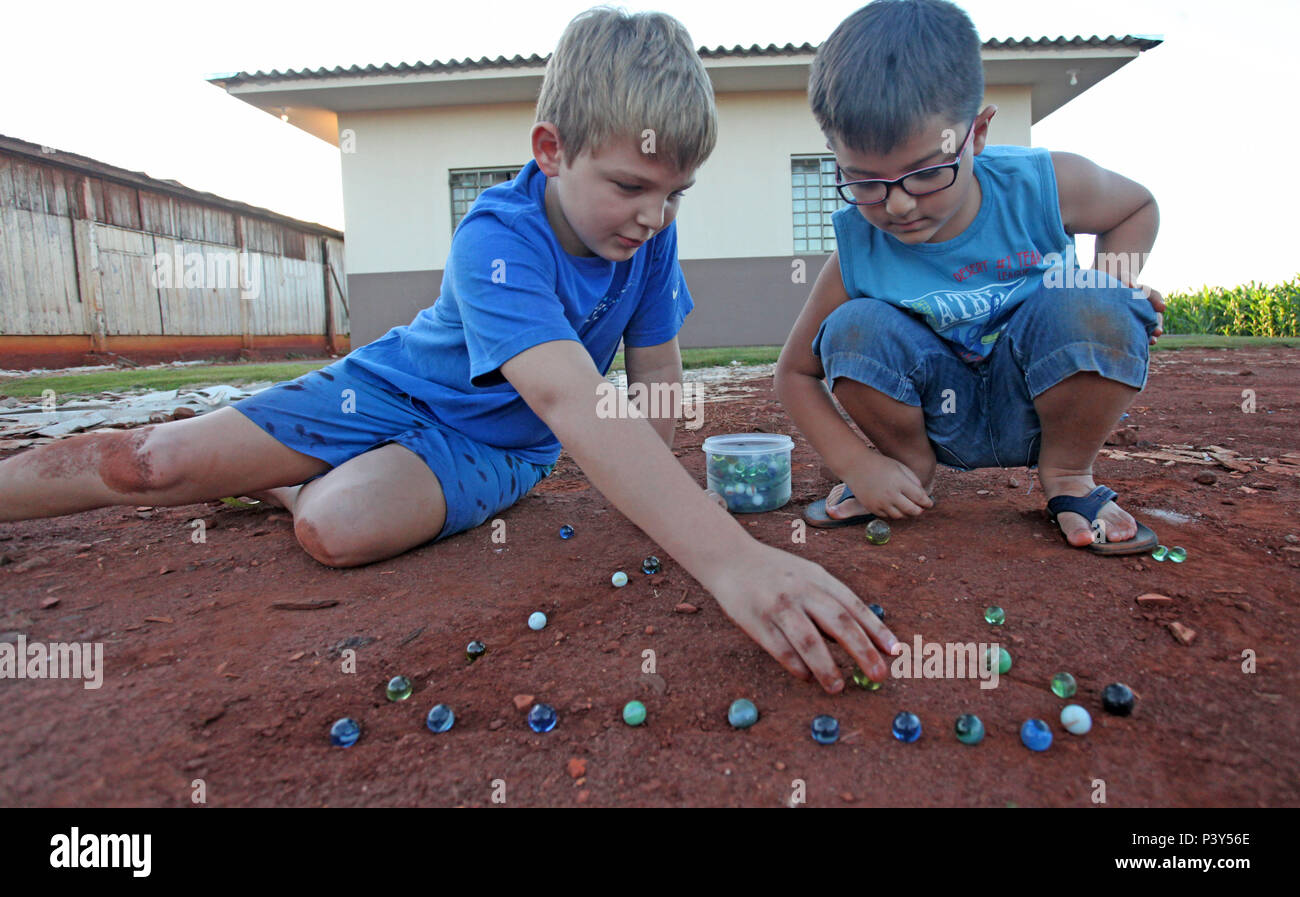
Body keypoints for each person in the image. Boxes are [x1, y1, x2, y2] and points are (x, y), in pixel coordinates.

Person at [0, 7, 896, 693]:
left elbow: (653, 382)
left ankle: (279, 479)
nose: (654, 216)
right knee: (147, 463)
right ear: (551, 150)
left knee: (332, 525)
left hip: (489, 449)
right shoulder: (495, 237)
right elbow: (570, 399)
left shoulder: (650, 242)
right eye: (630, 186)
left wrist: (661, 503)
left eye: (676, 194)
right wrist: (730, 557)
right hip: (382, 388)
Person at [776, 0, 1164, 555]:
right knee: (853, 325)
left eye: (928, 172)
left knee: (1093, 297)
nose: (899, 205)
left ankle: (1068, 475)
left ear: (976, 133)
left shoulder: (1042, 185)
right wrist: (858, 464)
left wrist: (1112, 283)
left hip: (1037, 403)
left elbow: (1137, 206)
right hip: (937, 423)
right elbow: (793, 373)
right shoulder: (860, 246)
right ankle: (906, 469)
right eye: (864, 182)